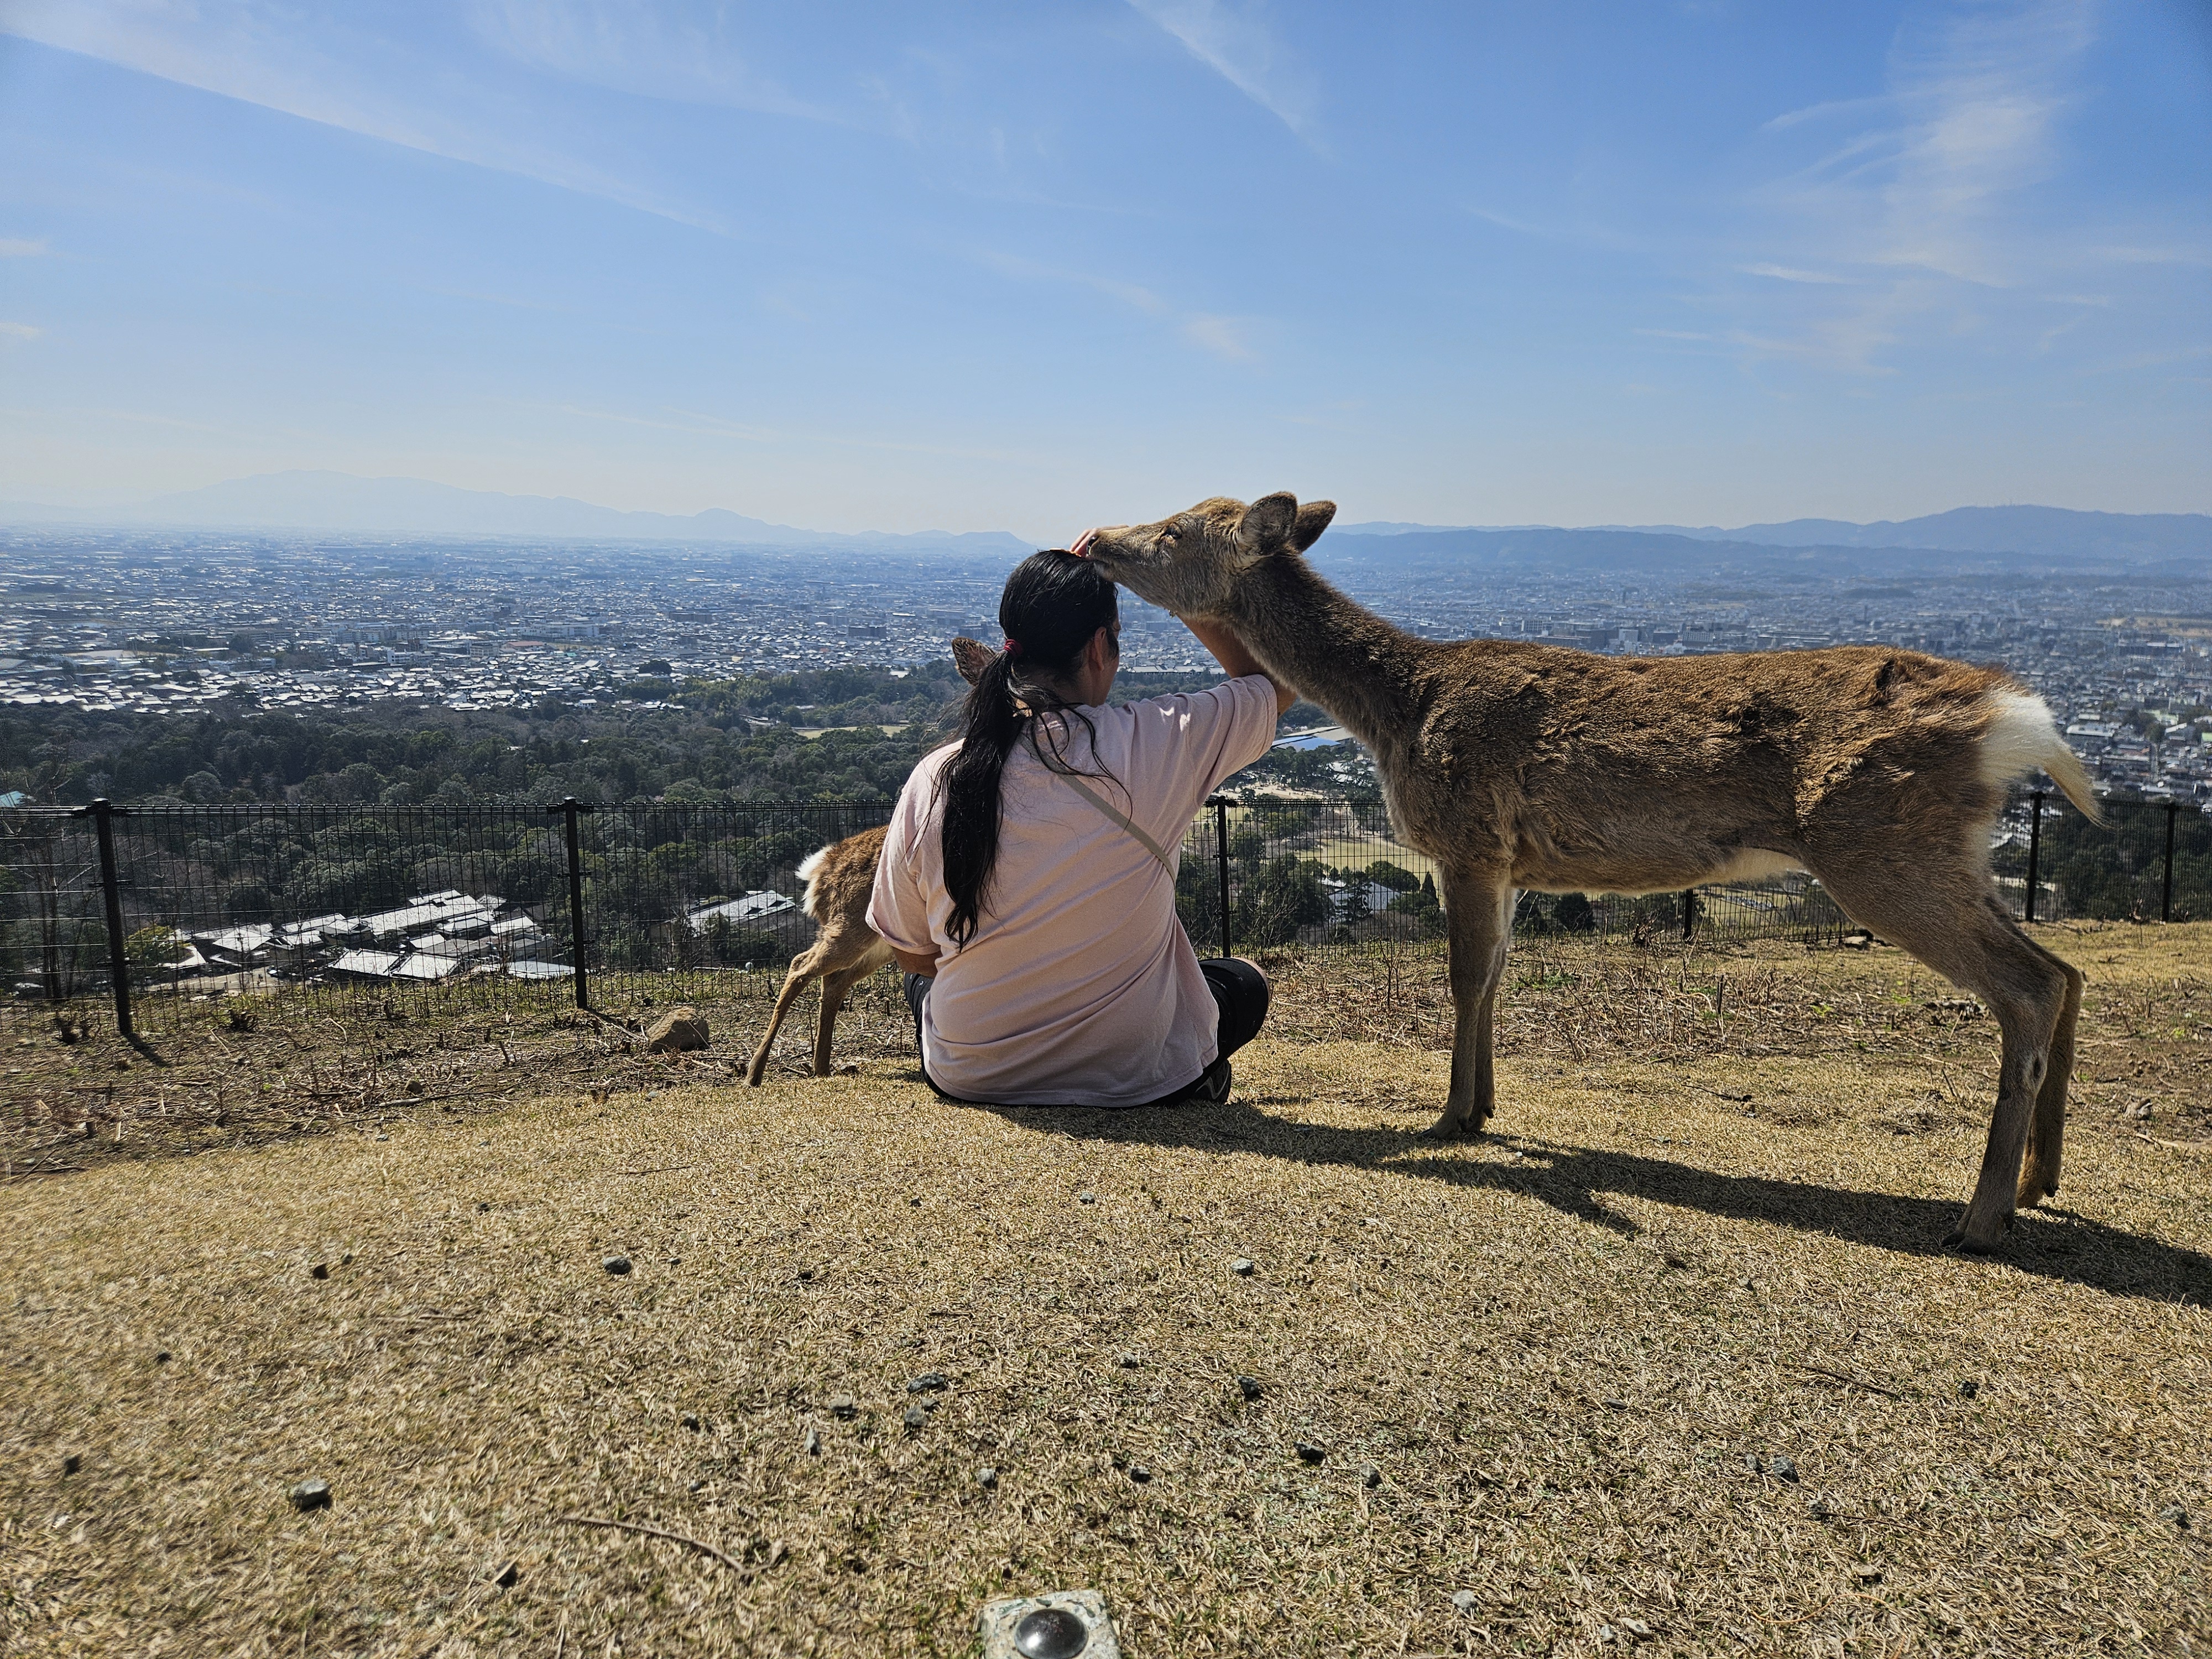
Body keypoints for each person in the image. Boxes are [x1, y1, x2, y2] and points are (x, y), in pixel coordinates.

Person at [866, 547, 1295, 1107]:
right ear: (1099, 646)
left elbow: (915, 955)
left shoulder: (938, 776)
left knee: (919, 986)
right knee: (1244, 983)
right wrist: (1165, 577)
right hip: (1138, 1074)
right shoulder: (1159, 743)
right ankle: (1199, 1073)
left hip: (973, 1072)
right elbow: (1277, 681)